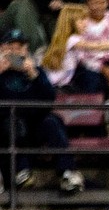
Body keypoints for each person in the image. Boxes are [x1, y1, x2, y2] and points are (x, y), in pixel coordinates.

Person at [0, 29, 85, 193]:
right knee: (12, 121)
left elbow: (48, 99)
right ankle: (21, 171)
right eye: (11, 47)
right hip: (6, 127)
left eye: (20, 47)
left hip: (33, 125)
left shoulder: (36, 71)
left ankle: (68, 173)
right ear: (3, 48)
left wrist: (34, 75)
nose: (16, 51)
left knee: (52, 121)